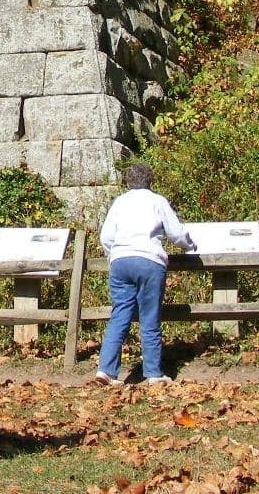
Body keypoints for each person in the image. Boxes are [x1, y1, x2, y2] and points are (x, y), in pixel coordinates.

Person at [94, 163, 196, 386]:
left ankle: (106, 370)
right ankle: (153, 373)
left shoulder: (120, 202)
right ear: (150, 180)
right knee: (150, 317)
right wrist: (190, 245)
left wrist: (114, 256)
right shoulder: (157, 201)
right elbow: (176, 233)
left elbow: (106, 237)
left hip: (120, 260)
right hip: (149, 261)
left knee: (120, 314)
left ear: (128, 182)